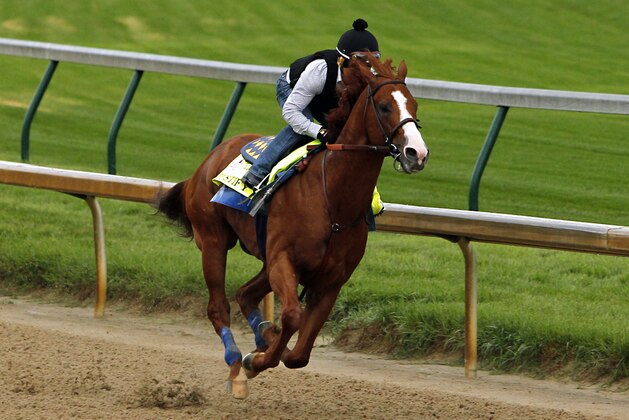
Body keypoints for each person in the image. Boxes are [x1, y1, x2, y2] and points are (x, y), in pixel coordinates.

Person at [242, 18, 380, 189]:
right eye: (360, 61)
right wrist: (319, 131)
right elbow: (291, 111)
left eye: (373, 61)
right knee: (301, 124)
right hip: (291, 87)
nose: (367, 69)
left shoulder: (371, 77)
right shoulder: (320, 71)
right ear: (342, 61)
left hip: (326, 96)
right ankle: (258, 172)